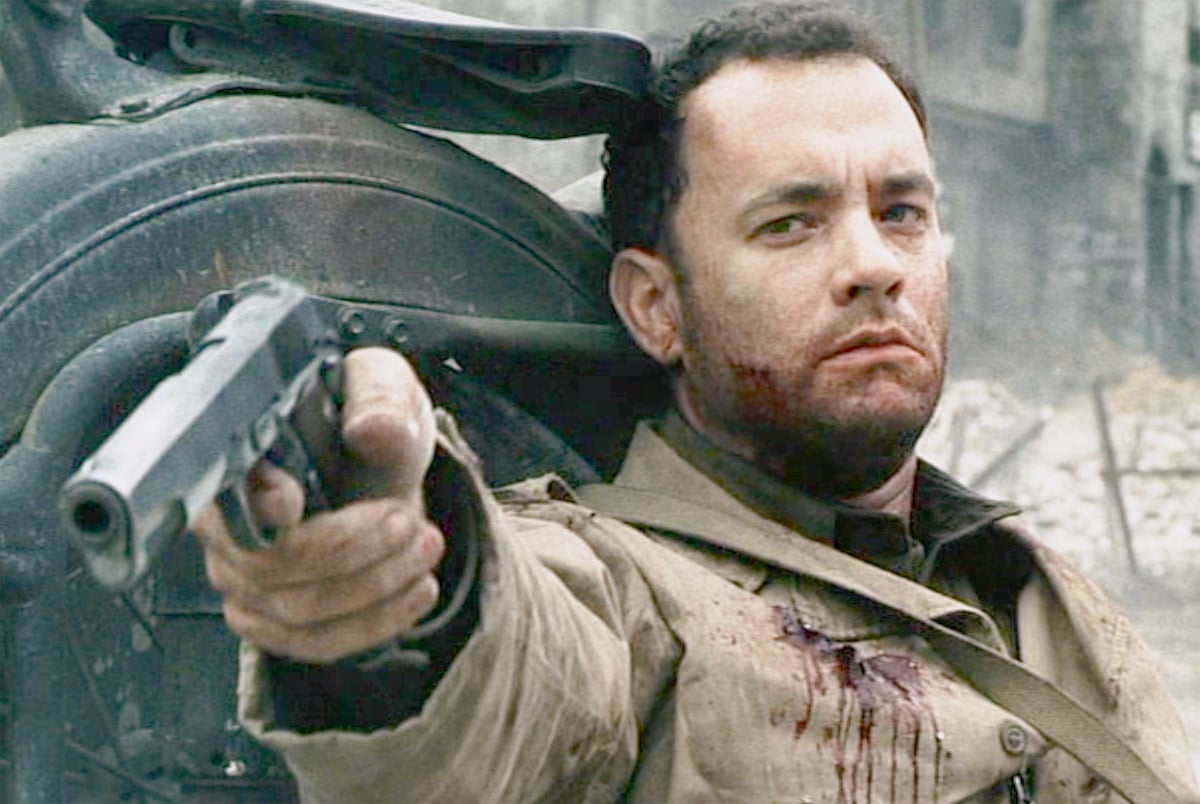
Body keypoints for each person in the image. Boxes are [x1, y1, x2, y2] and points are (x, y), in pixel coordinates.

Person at [193, 2, 1200, 801]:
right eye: (790, 223)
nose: (873, 264)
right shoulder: (620, 592)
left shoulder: (1045, 598)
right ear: (656, 306)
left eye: (901, 211)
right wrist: (396, 597)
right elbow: (500, 688)